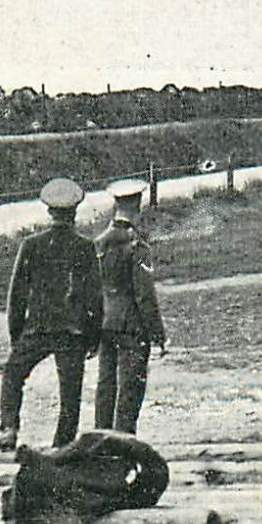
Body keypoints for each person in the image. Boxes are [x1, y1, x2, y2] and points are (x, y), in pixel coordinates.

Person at [0, 178, 102, 451]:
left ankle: (8, 429)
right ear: (74, 213)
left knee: (13, 374)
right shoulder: (85, 246)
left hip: (37, 327)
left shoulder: (31, 245)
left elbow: (17, 295)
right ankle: (62, 445)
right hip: (72, 331)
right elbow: (94, 296)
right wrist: (93, 336)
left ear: (49, 212)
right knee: (70, 392)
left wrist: (17, 335)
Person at [93, 180, 167, 435]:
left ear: (116, 205)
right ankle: (123, 445)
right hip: (132, 327)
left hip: (105, 323)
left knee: (105, 388)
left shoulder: (99, 243)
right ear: (137, 206)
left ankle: (100, 444)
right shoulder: (137, 246)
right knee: (129, 392)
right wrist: (158, 334)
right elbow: (145, 295)